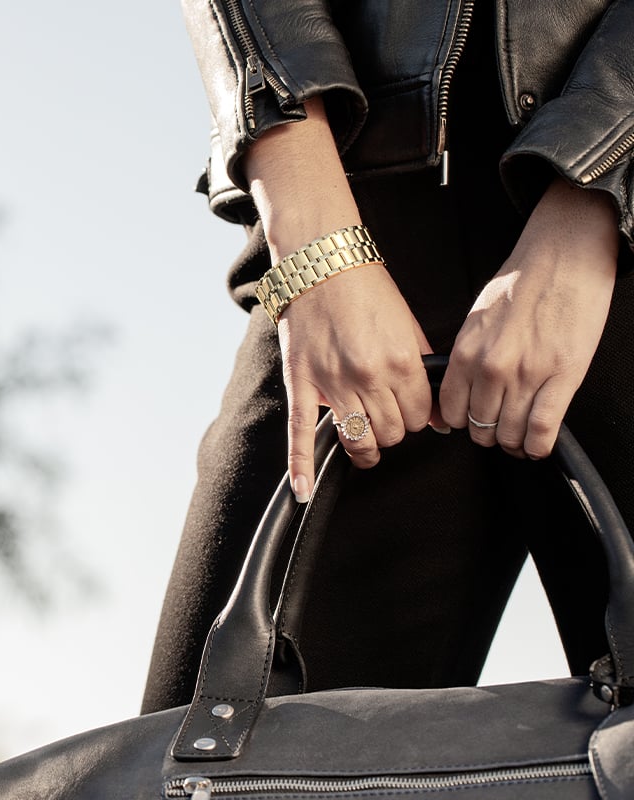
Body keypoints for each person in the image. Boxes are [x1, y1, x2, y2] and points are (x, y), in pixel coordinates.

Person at [141, 0, 634, 713]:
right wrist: (313, 235)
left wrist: (598, 187)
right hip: (354, 234)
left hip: (615, 229)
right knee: (212, 753)